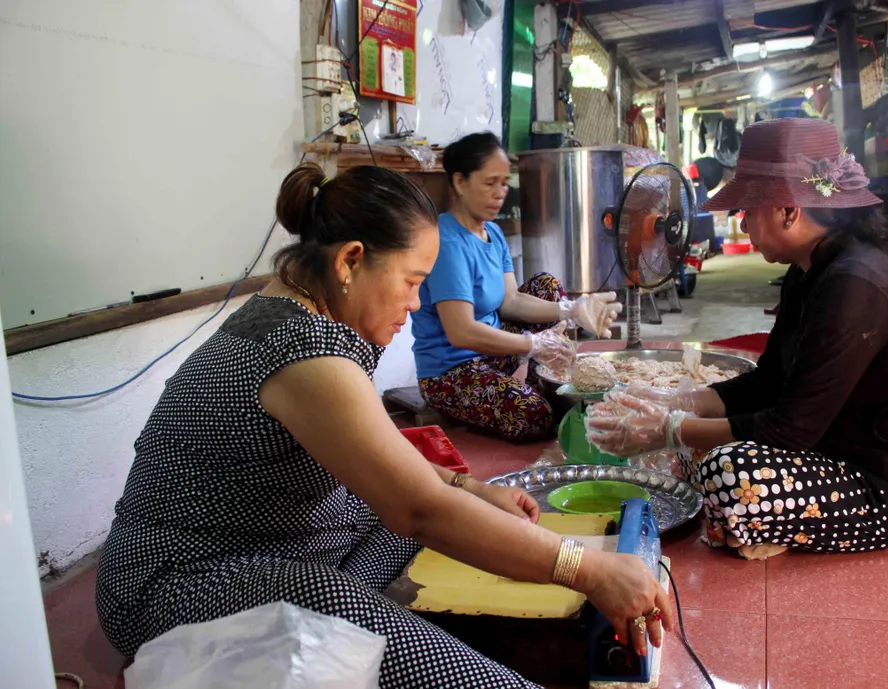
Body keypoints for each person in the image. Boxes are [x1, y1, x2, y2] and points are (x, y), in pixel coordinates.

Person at [95, 162, 671, 688]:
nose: (417, 304)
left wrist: (467, 489)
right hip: (175, 582)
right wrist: (588, 570)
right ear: (349, 261)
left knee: (427, 519)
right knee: (338, 581)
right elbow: (417, 509)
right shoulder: (297, 349)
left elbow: (380, 459)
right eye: (412, 280)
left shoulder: (307, 321)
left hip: (300, 539)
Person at [585, 118, 888, 561]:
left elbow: (790, 429)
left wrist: (667, 431)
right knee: (698, 450)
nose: (742, 224)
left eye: (748, 211)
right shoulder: (809, 272)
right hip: (836, 447)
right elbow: (769, 382)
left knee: (727, 471)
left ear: (788, 210)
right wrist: (677, 402)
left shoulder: (855, 285)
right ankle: (760, 519)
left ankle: (763, 519)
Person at [412, 132, 621, 442]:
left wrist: (572, 309)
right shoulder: (448, 242)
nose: (500, 193)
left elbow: (511, 301)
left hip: (492, 354)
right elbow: (461, 332)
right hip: (452, 371)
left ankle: (536, 384)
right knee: (535, 416)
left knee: (546, 285)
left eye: (504, 183)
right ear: (459, 182)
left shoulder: (492, 233)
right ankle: (525, 394)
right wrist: (532, 344)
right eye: (489, 183)